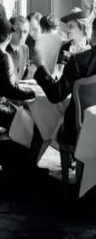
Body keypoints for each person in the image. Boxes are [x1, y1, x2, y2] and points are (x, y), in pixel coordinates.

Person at [32, 16, 96, 146]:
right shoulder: (68, 49)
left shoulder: (79, 61)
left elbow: (56, 95)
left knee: (44, 121)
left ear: (93, 32)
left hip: (80, 130)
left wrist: (40, 67)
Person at [6, 15, 30, 81]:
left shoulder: (25, 48)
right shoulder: (1, 50)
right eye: (18, 31)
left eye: (25, 32)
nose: (22, 35)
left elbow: (25, 74)